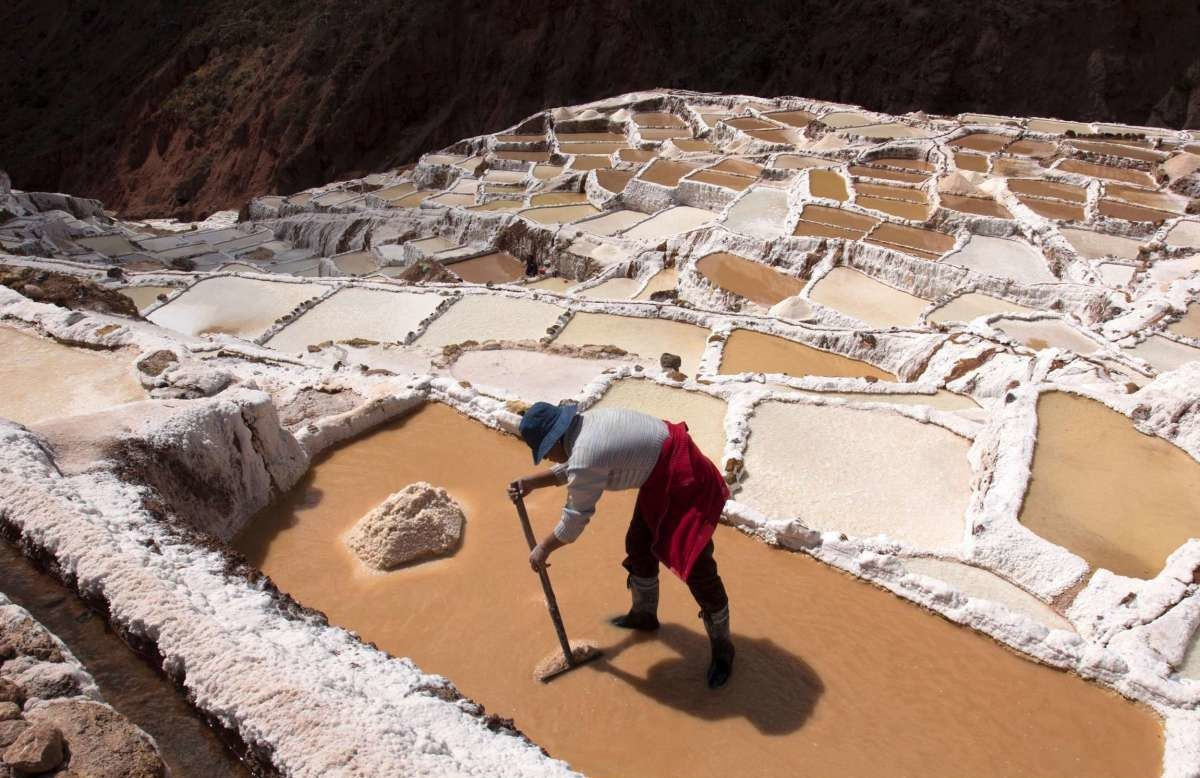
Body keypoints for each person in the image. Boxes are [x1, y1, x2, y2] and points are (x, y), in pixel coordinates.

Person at [508, 401, 734, 688]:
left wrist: (543, 548)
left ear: (555, 441)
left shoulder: (586, 453)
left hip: (685, 478)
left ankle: (724, 649)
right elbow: (576, 466)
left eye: (547, 453)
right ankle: (644, 615)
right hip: (659, 476)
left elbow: (575, 518)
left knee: (697, 565)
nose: (551, 460)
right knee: (639, 545)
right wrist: (532, 482)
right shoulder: (586, 427)